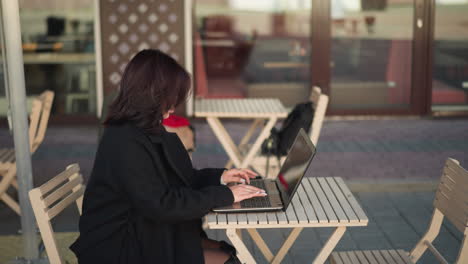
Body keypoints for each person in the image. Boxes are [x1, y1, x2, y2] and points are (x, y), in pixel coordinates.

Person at [70, 49, 267, 264]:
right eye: (170, 98)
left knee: (225, 252)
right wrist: (226, 195)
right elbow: (162, 205)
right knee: (227, 260)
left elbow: (179, 179)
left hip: (145, 230)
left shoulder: (142, 128)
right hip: (119, 247)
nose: (174, 107)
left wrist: (223, 177)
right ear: (151, 95)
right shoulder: (124, 141)